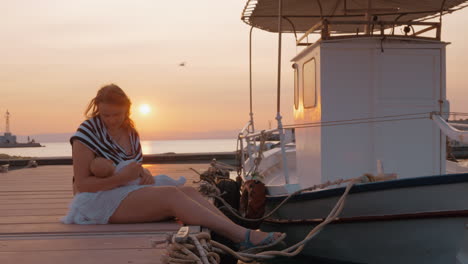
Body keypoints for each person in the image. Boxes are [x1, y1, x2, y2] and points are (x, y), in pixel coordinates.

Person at [62, 84, 285, 250]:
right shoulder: (87, 133)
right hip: (96, 203)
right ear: (97, 110)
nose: (110, 120)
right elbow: (82, 186)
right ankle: (244, 236)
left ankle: (237, 234)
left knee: (187, 191)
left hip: (126, 192)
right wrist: (123, 178)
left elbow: (131, 167)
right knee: (170, 194)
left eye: (116, 115)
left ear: (127, 111)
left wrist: (142, 173)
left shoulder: (130, 132)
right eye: (105, 114)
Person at [89, 156, 186, 187]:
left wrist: (144, 174)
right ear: (110, 161)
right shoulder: (122, 166)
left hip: (144, 184)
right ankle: (178, 182)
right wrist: (144, 174)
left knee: (164, 181)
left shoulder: (114, 180)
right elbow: (137, 165)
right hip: (146, 183)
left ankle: (178, 183)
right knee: (164, 179)